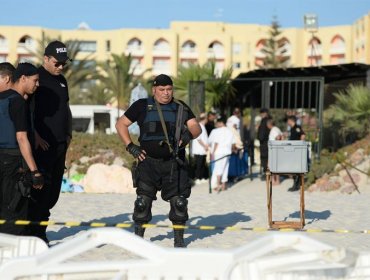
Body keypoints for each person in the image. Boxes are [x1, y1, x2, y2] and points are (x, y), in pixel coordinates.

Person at [115, 74, 201, 248]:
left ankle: (179, 242)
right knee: (142, 204)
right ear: (154, 90)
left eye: (169, 89)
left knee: (179, 203)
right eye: (161, 90)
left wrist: (187, 135)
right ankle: (138, 241)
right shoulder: (141, 105)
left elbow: (196, 127)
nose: (166, 93)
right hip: (148, 163)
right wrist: (131, 146)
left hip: (174, 164)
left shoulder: (180, 107)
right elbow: (121, 124)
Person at [27, 41, 72, 243]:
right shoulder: (36, 79)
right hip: (41, 146)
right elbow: (26, 111)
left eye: (64, 63)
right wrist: (35, 135)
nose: (61, 67)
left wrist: (69, 134)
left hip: (60, 145)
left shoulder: (62, 80)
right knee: (40, 192)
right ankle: (36, 235)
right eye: (57, 63)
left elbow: (66, 109)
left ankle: (39, 230)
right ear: (46, 59)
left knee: (53, 194)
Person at [0, 63, 44, 235]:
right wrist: (35, 171)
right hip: (13, 161)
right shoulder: (17, 101)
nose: (37, 85)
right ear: (23, 78)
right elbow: (21, 138)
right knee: (14, 209)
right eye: (35, 80)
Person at [208, 116, 236, 192]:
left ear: (221, 123)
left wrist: (213, 152)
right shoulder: (230, 131)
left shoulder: (218, 131)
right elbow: (233, 143)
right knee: (225, 168)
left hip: (219, 152)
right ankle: (224, 185)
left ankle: (218, 184)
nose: (216, 124)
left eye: (217, 123)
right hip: (227, 152)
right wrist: (233, 149)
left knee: (218, 168)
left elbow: (216, 142)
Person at [287, 115, 306, 192]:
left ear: (291, 120)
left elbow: (303, 135)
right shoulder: (292, 128)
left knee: (296, 168)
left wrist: (300, 145)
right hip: (292, 150)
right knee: (293, 168)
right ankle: (296, 184)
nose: (287, 122)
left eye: (288, 120)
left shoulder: (297, 127)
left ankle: (296, 185)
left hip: (297, 150)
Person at [191, 112, 209, 183]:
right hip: (199, 149)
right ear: (205, 119)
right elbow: (199, 139)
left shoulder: (203, 126)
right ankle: (197, 178)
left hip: (203, 150)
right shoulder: (200, 126)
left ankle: (201, 177)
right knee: (198, 164)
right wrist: (204, 146)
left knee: (202, 164)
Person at [267, 117, 283, 185]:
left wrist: (276, 144)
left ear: (269, 124)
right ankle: (276, 180)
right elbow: (281, 136)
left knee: (273, 166)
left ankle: (274, 180)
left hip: (274, 149)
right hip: (276, 149)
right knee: (276, 166)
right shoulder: (277, 128)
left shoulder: (273, 130)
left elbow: (278, 137)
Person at [257, 108, 270, 179]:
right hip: (265, 142)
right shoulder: (266, 120)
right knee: (265, 157)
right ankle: (266, 172)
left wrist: (260, 139)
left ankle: (266, 173)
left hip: (264, 142)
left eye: (262, 113)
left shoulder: (265, 120)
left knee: (265, 158)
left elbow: (262, 132)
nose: (261, 115)